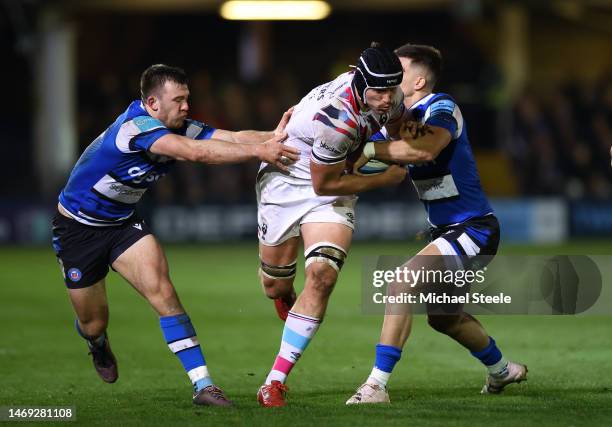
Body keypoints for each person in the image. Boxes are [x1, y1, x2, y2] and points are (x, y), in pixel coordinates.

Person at [51, 64, 299, 407]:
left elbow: (233, 137)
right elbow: (195, 153)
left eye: (187, 98)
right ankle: (96, 343)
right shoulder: (136, 129)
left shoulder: (176, 124)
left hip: (122, 225)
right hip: (78, 231)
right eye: (179, 100)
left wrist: (276, 137)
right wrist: (261, 152)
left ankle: (203, 385)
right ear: (153, 103)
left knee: (164, 292)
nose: (186, 106)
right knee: (93, 322)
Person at [345, 44, 527, 404]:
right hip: (449, 232)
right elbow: (365, 160)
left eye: (399, 69)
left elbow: (426, 148)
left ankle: (376, 385)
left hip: (474, 228)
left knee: (401, 283)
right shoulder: (398, 121)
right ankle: (503, 370)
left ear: (420, 79)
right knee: (444, 318)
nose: (391, 76)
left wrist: (368, 150)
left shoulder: (440, 106)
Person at [255, 43, 411, 407]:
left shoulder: (388, 95)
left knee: (323, 276)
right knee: (274, 286)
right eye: (380, 91)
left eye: (393, 89)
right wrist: (383, 179)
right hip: (287, 182)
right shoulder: (335, 119)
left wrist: (417, 146)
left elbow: (399, 126)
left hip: (331, 180)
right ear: (360, 82)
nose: (388, 99)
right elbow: (323, 184)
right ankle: (286, 297)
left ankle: (273, 382)